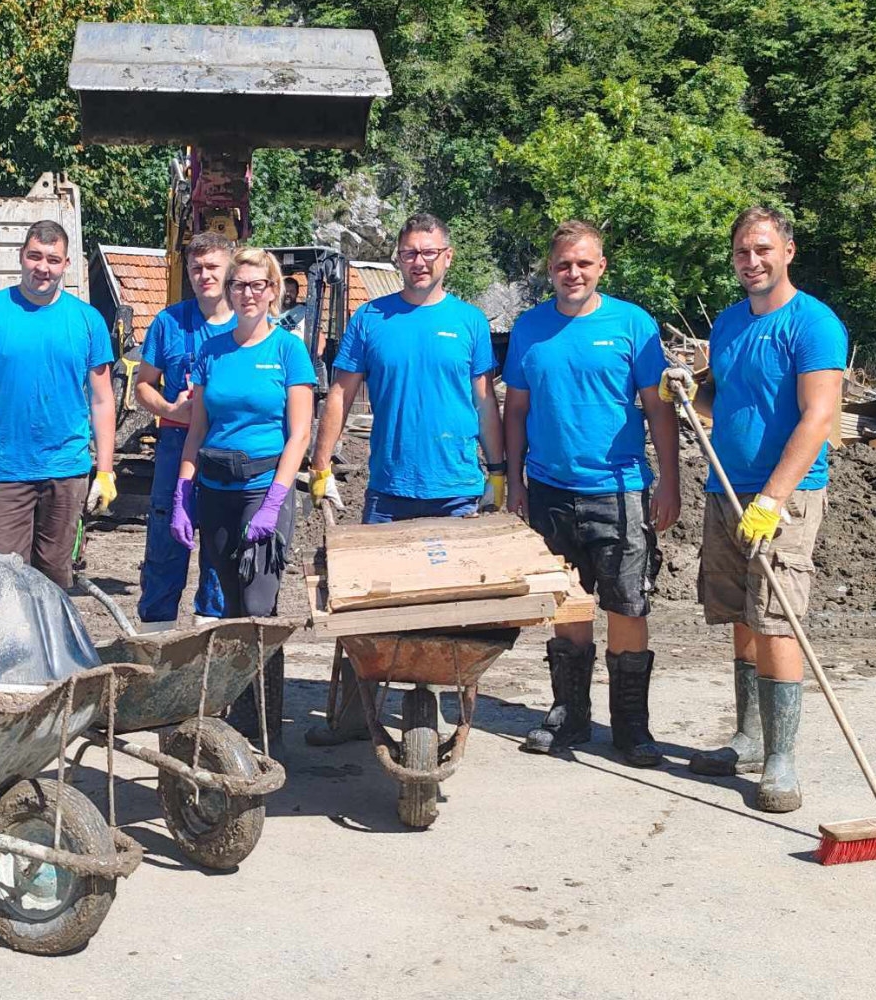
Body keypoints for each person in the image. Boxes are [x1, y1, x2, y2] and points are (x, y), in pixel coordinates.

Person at [668, 206, 846, 812]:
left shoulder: (813, 323)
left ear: (788, 251)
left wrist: (771, 499)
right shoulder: (728, 323)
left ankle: (781, 759)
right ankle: (747, 738)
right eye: (743, 251)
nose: (752, 261)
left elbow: (819, 417)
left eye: (763, 249)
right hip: (725, 488)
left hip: (784, 497)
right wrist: (689, 391)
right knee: (742, 614)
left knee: (775, 618)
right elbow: (722, 396)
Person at [305, 213, 504, 745]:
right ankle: (354, 714)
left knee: (452, 612)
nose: (420, 262)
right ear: (398, 258)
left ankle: (448, 712)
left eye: (429, 252)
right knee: (365, 606)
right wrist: (320, 467)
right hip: (389, 490)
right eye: (410, 252)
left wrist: (499, 470)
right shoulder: (371, 319)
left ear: (448, 257)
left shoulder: (469, 322)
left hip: (455, 489)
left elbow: (485, 401)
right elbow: (341, 394)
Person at [502, 221, 680, 767]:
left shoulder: (632, 324)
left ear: (602, 266)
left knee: (627, 605)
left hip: (620, 491)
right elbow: (516, 410)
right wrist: (515, 482)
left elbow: (659, 409)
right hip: (549, 490)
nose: (573, 273)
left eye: (583, 263)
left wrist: (669, 481)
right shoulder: (530, 328)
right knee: (567, 603)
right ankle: (570, 713)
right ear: (549, 269)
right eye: (563, 264)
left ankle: (631, 726)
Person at [171, 246, 316, 743]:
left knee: (258, 610)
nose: (248, 293)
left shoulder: (288, 351)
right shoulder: (211, 351)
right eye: (239, 285)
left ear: (274, 291)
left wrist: (275, 502)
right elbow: (198, 427)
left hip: (263, 490)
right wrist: (183, 492)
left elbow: (299, 434)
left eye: (258, 285)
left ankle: (264, 730)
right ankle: (241, 718)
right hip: (216, 490)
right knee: (231, 608)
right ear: (229, 291)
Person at [0, 220, 117, 589]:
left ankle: (50, 631)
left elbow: (102, 400)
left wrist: (105, 472)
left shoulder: (87, 320)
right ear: (21, 256)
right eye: (35, 256)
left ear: (66, 264)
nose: (43, 267)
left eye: (53, 260)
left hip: (66, 471)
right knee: (2, 581)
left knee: (54, 581)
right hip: (3, 471)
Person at [132, 231, 231, 630]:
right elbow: (143, 386)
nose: (204, 275)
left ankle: (212, 631)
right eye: (196, 268)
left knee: (221, 547)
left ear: (230, 268)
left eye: (213, 267)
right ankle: (156, 635)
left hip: (228, 447)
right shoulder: (169, 323)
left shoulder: (250, 324)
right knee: (165, 539)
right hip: (176, 443)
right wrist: (171, 408)